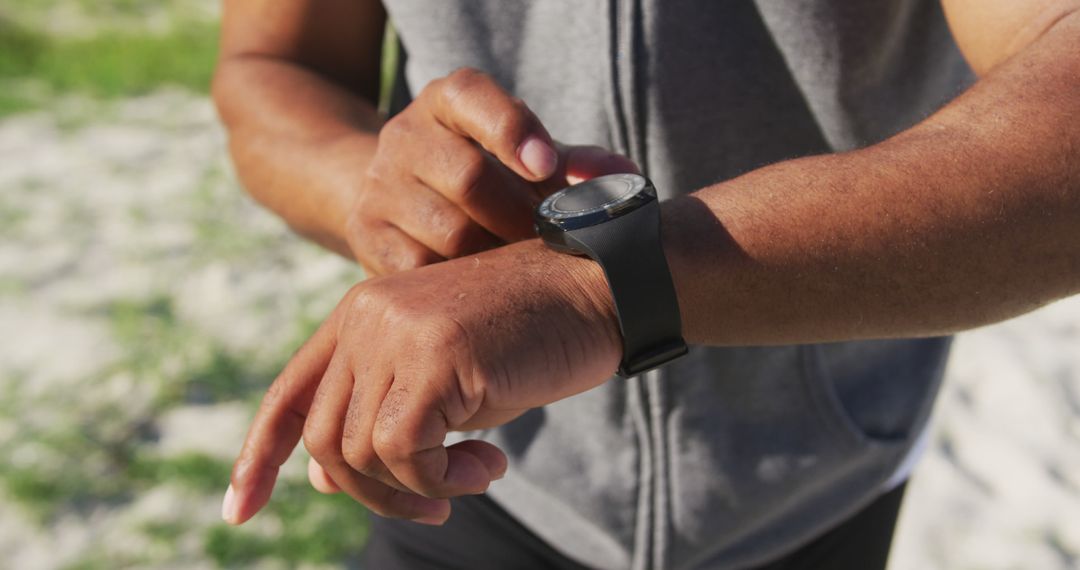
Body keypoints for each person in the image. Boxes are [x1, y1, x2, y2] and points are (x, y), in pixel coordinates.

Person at [211, 1, 1080, 568]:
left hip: (815, 476)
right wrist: (375, 194)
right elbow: (273, 67)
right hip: (477, 469)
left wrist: (603, 293)